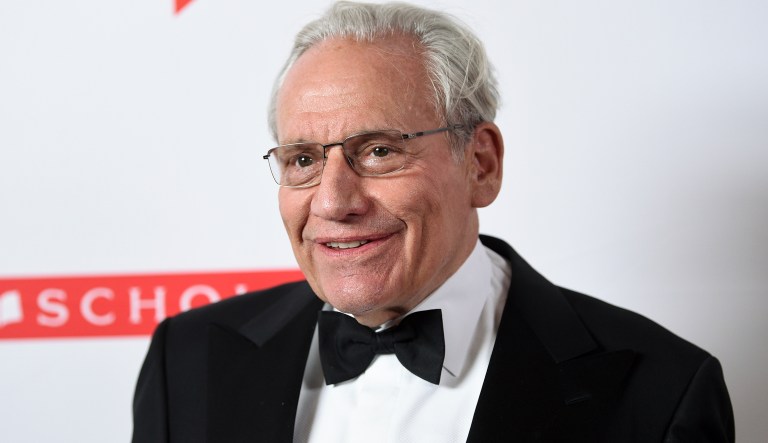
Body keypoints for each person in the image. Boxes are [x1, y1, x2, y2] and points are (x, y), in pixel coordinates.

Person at [132, 2, 734, 442]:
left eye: (379, 150)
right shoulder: (186, 360)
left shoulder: (660, 392)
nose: (333, 202)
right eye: (304, 160)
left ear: (480, 164)